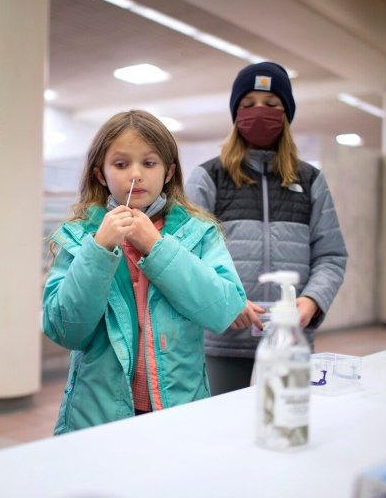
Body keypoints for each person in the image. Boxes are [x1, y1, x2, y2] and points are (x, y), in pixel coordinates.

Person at [42, 110, 246, 434]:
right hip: (97, 419)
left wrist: (157, 247)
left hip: (178, 415)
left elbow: (224, 309)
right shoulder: (80, 237)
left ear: (169, 172)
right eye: (121, 164)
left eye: (149, 163)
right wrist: (99, 248)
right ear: (100, 174)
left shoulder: (199, 232)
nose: (135, 174)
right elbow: (65, 330)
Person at [184, 61, 347, 394]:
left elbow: (331, 256)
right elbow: (187, 255)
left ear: (286, 114)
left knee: (285, 424)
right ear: (235, 114)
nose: (259, 112)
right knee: (222, 433)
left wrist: (312, 301)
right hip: (223, 339)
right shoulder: (209, 177)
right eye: (248, 105)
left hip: (290, 336)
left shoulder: (310, 180)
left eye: (271, 105)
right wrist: (222, 302)